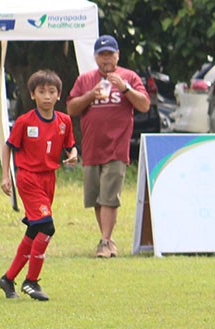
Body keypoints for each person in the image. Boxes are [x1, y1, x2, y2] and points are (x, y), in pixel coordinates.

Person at [66, 34, 150, 259]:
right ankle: (107, 240)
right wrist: (90, 96)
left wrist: (125, 89)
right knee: (96, 197)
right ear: (95, 57)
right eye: (102, 55)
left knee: (109, 196)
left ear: (117, 55)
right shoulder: (85, 79)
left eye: (110, 55)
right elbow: (71, 108)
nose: (106, 60)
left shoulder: (128, 76)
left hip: (117, 147)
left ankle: (105, 241)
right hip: (92, 146)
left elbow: (144, 105)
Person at [0, 69, 77, 302]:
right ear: (32, 95)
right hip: (28, 177)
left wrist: (73, 154)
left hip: (48, 179)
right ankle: (31, 281)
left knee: (34, 230)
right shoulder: (24, 121)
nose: (46, 96)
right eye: (41, 91)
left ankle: (8, 278)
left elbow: (71, 147)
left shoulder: (64, 121)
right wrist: (5, 176)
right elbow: (8, 146)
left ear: (59, 95)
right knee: (47, 227)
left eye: (51, 91)